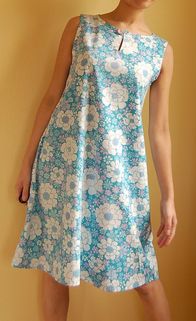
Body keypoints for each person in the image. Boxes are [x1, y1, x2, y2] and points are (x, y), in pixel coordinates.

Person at [12, 0, 176, 320]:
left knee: (143, 276)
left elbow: (160, 131)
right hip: (64, 165)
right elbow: (52, 96)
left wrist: (169, 198)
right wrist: (27, 162)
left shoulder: (161, 52)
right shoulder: (81, 28)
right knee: (56, 266)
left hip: (122, 175)